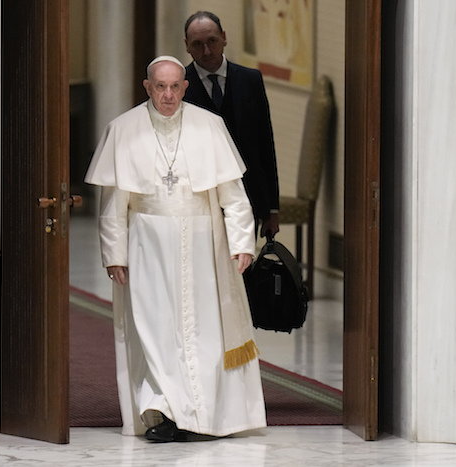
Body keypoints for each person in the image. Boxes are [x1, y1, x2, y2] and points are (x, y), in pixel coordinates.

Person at [84, 56, 266, 442]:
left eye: (175, 87)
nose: (168, 95)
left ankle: (203, 413)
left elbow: (233, 197)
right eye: (160, 87)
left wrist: (242, 243)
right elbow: (114, 204)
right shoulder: (123, 129)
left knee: (203, 331)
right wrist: (115, 253)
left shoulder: (210, 126)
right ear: (147, 87)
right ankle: (162, 413)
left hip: (203, 243)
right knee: (154, 330)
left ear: (185, 87)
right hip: (147, 243)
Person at [183, 11, 280, 238]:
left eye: (212, 41)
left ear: (224, 38)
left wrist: (271, 209)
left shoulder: (250, 80)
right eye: (198, 44)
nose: (207, 51)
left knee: (242, 267)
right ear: (187, 46)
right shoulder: (180, 86)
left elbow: (265, 144)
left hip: (247, 193)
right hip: (198, 198)